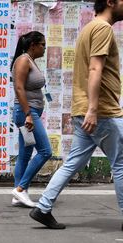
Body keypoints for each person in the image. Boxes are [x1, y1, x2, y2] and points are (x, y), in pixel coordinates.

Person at [30, 0, 123, 230]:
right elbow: (94, 68)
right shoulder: (102, 28)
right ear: (110, 2)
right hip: (101, 111)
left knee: (72, 163)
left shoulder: (89, 28)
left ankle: (43, 207)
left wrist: (88, 109)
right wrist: (93, 109)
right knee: (121, 164)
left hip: (85, 110)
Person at [10, 31, 51, 208]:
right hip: (27, 113)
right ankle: (20, 189)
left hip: (31, 112)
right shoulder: (23, 60)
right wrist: (28, 114)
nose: (44, 48)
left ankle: (18, 195)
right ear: (33, 45)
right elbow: (18, 88)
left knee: (25, 155)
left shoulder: (30, 61)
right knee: (45, 151)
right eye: (42, 44)